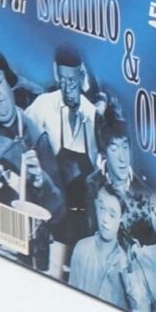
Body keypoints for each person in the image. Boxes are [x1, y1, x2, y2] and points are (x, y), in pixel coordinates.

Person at [0, 47, 65, 231]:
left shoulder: (37, 137)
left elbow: (59, 211)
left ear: (9, 83)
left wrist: (41, 181)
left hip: (29, 236)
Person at [26, 44, 102, 268]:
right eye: (63, 80)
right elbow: (23, 133)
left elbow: (100, 167)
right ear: (56, 73)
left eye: (73, 80)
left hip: (83, 218)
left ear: (82, 76)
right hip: (51, 211)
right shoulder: (43, 105)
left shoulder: (93, 116)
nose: (68, 88)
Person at [85, 98, 152, 245]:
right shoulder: (91, 185)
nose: (122, 158)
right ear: (104, 152)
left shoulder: (146, 195)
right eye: (114, 148)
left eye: (125, 147)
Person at [68, 183, 129, 309]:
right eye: (102, 208)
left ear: (121, 217)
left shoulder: (125, 265)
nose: (105, 219)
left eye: (112, 214)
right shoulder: (82, 248)